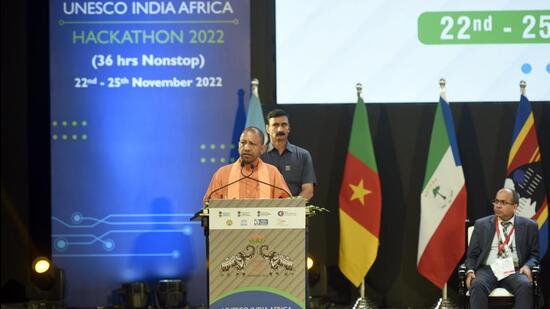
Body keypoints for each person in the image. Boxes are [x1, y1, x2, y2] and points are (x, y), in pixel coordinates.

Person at [465, 187, 539, 308]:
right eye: (497, 201)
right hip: (487, 269)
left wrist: (527, 266)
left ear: (515, 206)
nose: (498, 206)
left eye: (503, 202)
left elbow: (534, 254)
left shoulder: (529, 226)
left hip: (514, 269)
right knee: (477, 285)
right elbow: (472, 255)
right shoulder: (481, 224)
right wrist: (470, 271)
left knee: (525, 286)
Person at [203, 126, 290, 205]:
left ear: (262, 149)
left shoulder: (272, 173)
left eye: (252, 144)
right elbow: (208, 206)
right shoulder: (222, 173)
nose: (246, 148)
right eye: (243, 143)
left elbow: (287, 205)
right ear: (238, 145)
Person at [261, 109, 317, 201]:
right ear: (267, 129)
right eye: (275, 125)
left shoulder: (303, 155)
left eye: (284, 125)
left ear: (289, 128)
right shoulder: (259, 155)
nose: (280, 129)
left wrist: (290, 208)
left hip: (293, 211)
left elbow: (308, 190)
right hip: (263, 212)